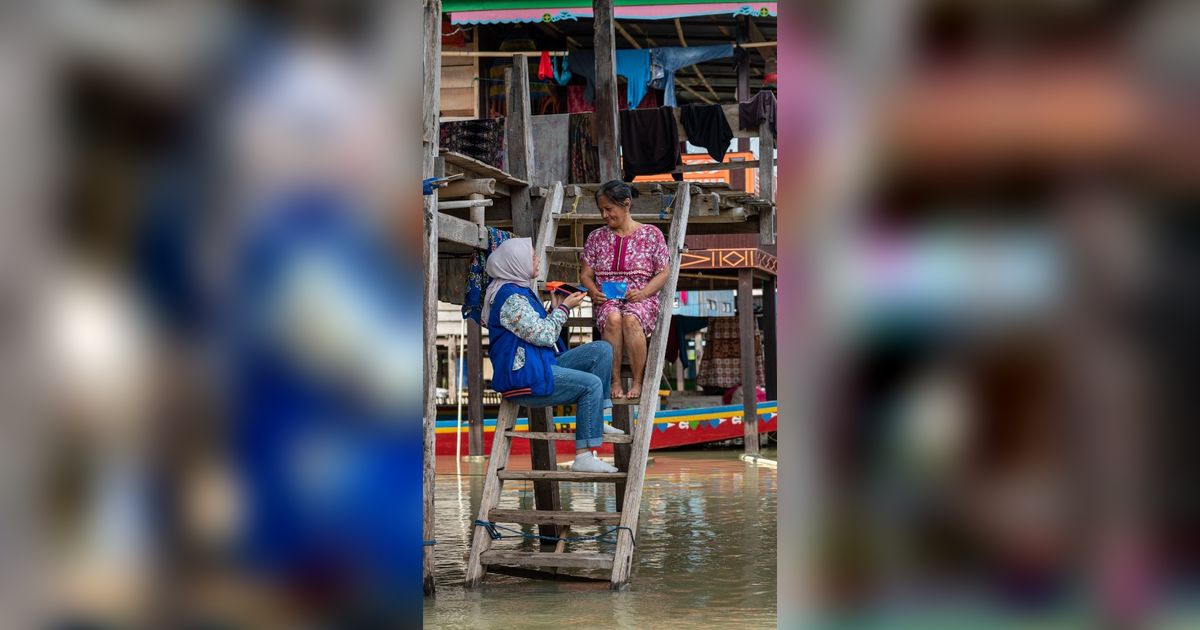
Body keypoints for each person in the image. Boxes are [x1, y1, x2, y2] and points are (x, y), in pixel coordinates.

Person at [484, 238, 622, 473]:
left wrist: (554, 308)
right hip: (525, 378)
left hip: (539, 364)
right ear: (516, 263)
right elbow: (544, 335)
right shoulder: (510, 299)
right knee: (591, 384)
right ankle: (584, 455)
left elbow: (533, 329)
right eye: (532, 256)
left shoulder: (521, 290)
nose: (537, 260)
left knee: (602, 350)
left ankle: (596, 419)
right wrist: (564, 308)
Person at [580, 180, 671, 400]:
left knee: (631, 319)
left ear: (626, 204)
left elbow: (664, 272)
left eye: (609, 209)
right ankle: (615, 379)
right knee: (613, 318)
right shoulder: (596, 237)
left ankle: (638, 381)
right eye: (601, 210)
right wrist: (593, 291)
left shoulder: (651, 234)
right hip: (607, 298)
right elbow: (586, 275)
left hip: (641, 297)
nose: (604, 215)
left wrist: (644, 293)